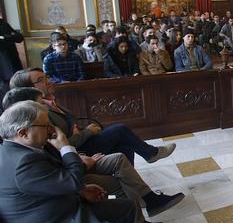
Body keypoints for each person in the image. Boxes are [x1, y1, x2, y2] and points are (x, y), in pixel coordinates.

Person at [1, 87, 186, 223]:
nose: (49, 126)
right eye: (41, 103)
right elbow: (64, 173)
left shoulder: (32, 136)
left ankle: (149, 201)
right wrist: (76, 155)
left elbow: (58, 155)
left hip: (75, 161)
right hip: (69, 182)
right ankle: (137, 219)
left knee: (120, 156)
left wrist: (77, 154)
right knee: (119, 149)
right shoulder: (24, 156)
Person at [0, 101, 144, 223]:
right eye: (45, 125)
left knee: (127, 208)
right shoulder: (23, 163)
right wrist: (65, 146)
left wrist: (81, 191)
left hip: (58, 213)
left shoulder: (17, 150)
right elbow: (73, 179)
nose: (52, 130)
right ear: (23, 133)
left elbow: (51, 182)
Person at [9, 68, 176, 165]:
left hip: (81, 142)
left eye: (46, 76)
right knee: (120, 130)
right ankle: (151, 154)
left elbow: (70, 127)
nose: (48, 80)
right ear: (29, 88)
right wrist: (87, 132)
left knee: (124, 148)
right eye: (41, 79)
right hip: (76, 152)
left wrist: (80, 130)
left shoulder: (51, 102)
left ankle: (133, 193)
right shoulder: (39, 113)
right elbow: (59, 145)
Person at [0, 16, 24, 87]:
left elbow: (19, 37)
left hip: (12, 57)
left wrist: (4, 37)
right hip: (3, 60)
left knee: (18, 80)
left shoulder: (3, 23)